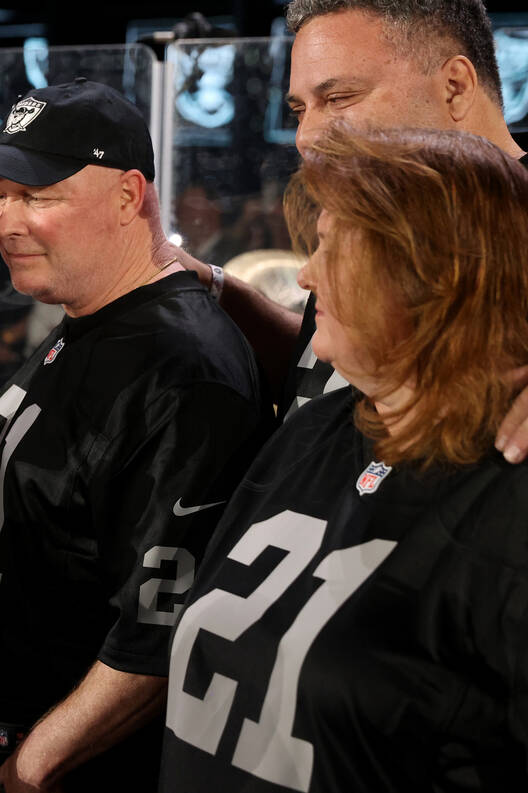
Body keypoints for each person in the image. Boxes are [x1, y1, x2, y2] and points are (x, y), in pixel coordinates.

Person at [162, 124, 528, 792]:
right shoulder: (318, 426)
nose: (304, 274)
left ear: (428, 271)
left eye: (332, 248)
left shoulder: (507, 494)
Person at [0, 79, 273, 792]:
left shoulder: (183, 369)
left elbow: (161, 631)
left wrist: (36, 760)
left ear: (128, 196)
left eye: (37, 196)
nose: (5, 221)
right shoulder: (88, 314)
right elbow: (39, 509)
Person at [178, 0, 528, 449]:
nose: (306, 137)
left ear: (455, 87)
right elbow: (328, 373)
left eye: (339, 98)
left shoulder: (509, 222)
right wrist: (209, 287)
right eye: (300, 110)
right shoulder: (373, 211)